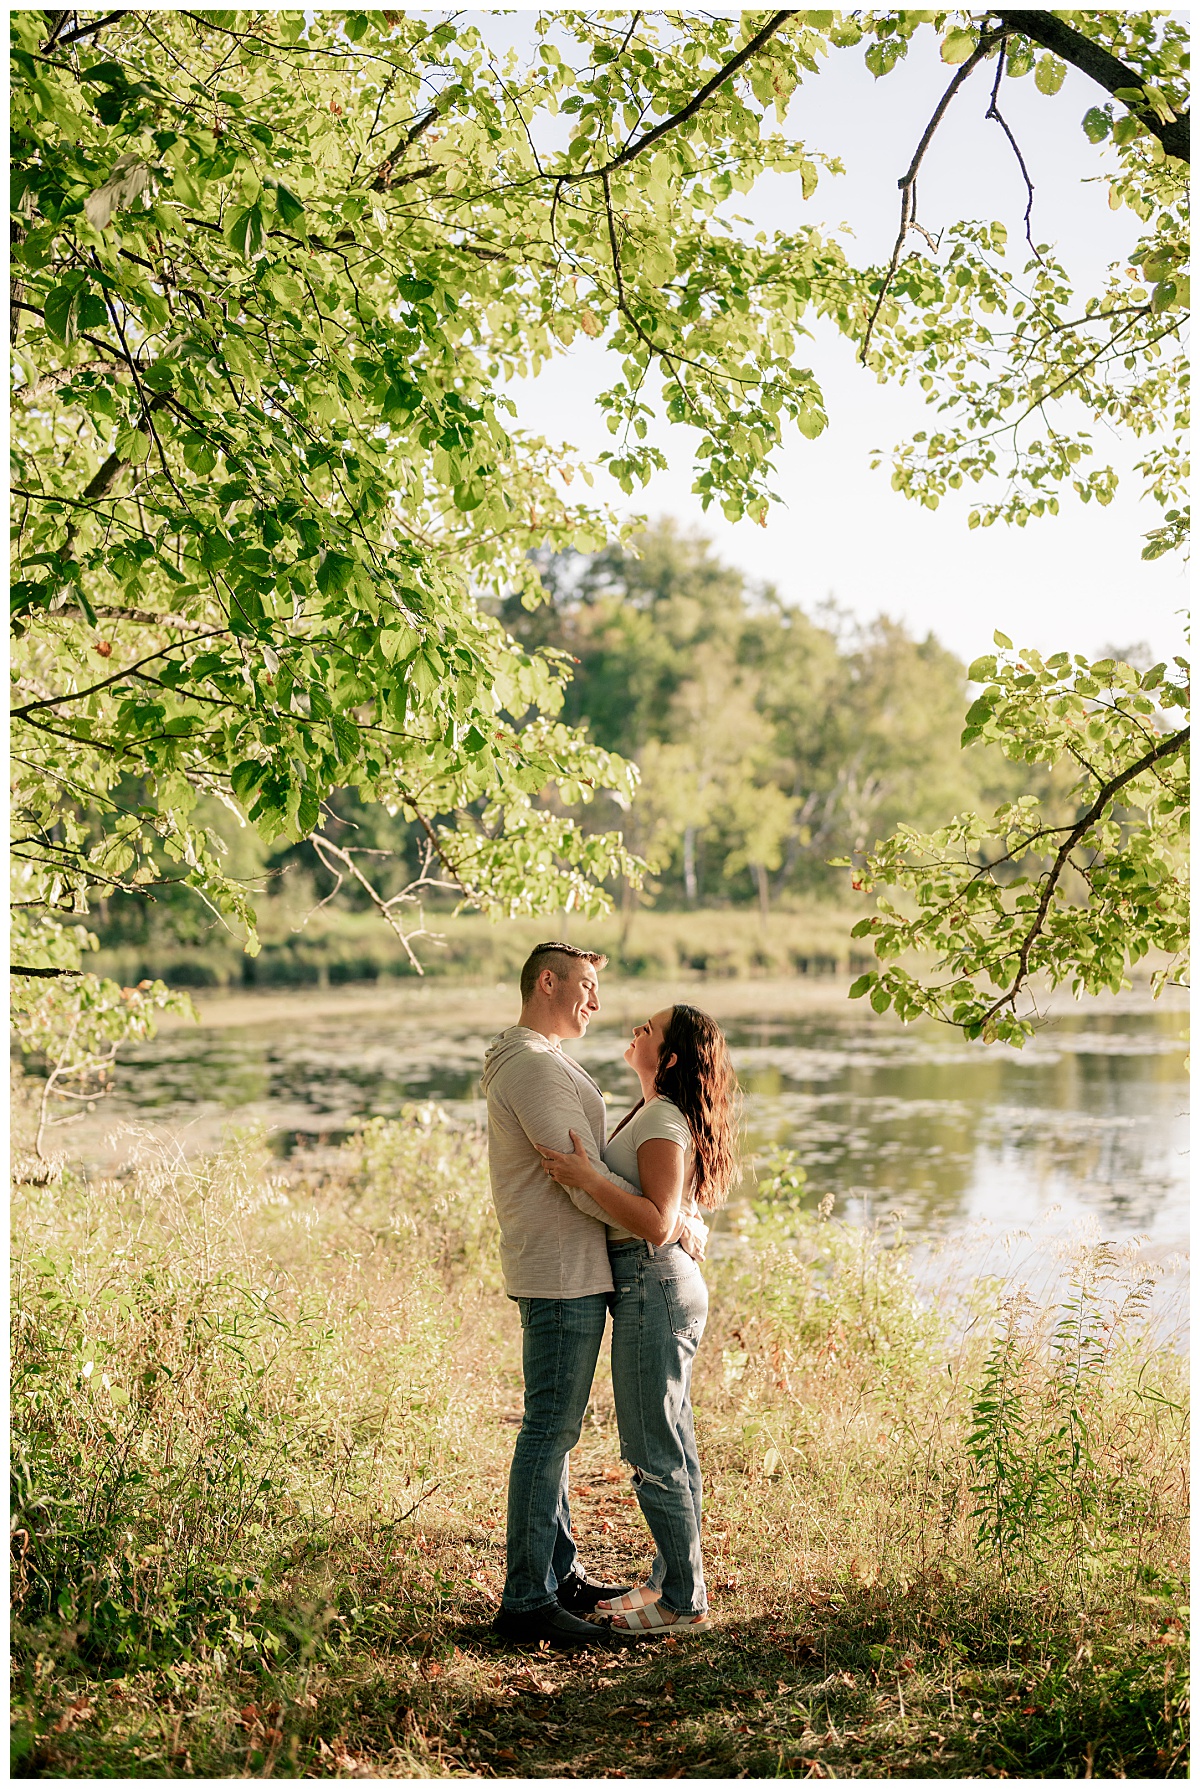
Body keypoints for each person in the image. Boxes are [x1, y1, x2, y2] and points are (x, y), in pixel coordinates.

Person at [481, 943, 709, 1650]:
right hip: (560, 1273)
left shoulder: (550, 1062)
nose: (598, 1003)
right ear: (546, 981)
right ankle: (528, 1599)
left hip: (587, 1272)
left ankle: (562, 1576)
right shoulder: (532, 1065)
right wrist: (668, 1220)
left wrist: (676, 1219)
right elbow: (573, 1175)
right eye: (584, 985)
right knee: (550, 1431)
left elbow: (608, 1180)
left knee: (565, 1432)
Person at [537, 1003, 738, 1637]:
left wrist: (584, 1174)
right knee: (670, 1441)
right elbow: (671, 1213)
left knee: (653, 1447)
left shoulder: (660, 1118)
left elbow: (653, 1222)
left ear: (670, 1057)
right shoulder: (653, 1113)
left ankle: (682, 1603)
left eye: (646, 1031)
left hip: (652, 1287)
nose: (634, 1032)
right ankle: (670, 1581)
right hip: (650, 1287)